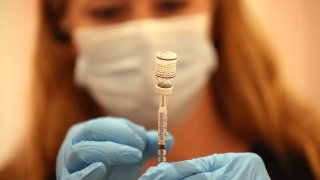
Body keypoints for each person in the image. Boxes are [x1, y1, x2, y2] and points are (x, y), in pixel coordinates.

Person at [1, 0, 320, 179]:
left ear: (216, 15)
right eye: (108, 12)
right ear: (64, 34)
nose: (146, 33)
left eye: (171, 4)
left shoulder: (310, 155)